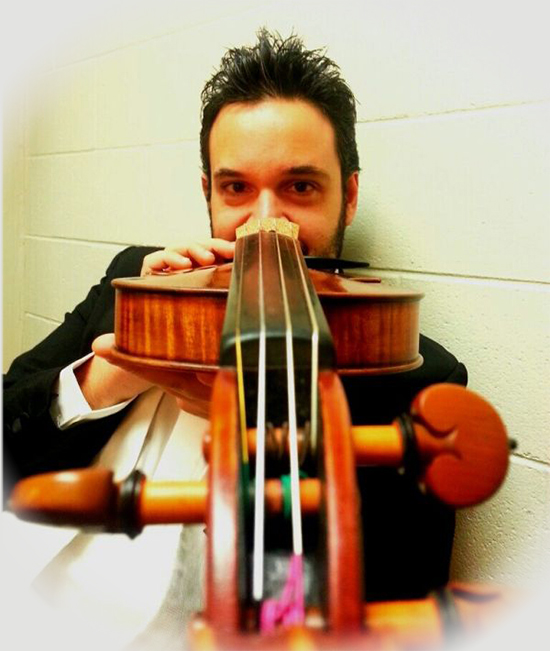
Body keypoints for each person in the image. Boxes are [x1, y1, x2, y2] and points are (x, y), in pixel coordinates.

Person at [3, 30, 466, 603]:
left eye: (300, 186)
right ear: (209, 193)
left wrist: (276, 430)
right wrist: (114, 372)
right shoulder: (134, 283)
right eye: (236, 188)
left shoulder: (417, 379)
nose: (265, 222)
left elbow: (395, 601)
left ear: (348, 197)